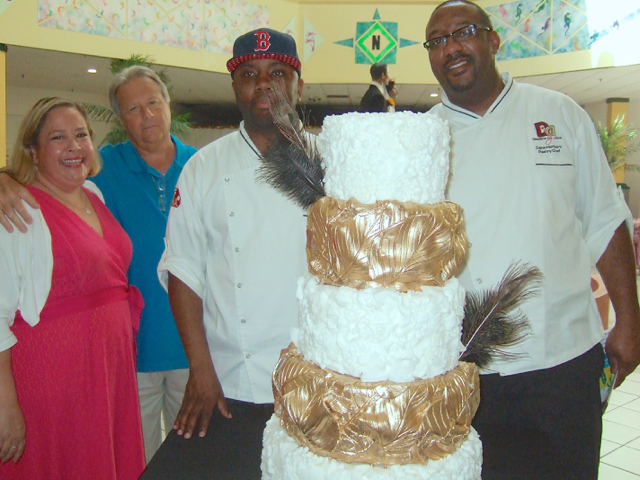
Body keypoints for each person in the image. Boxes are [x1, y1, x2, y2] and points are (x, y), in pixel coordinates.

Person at [424, 1, 640, 479]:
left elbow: (605, 220)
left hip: (563, 363)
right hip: (464, 372)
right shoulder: (421, 138)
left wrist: (629, 319)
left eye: (463, 32)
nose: (451, 47)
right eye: (437, 41)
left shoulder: (559, 114)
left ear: (494, 40)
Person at [0, 66, 197, 463]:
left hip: (157, 358)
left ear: (168, 105)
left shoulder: (200, 168)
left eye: (153, 103)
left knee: (172, 462)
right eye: (133, 109)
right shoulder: (49, 197)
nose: (147, 116)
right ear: (121, 121)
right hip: (78, 369)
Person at [152, 28, 307, 478]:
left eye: (278, 73)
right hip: (229, 379)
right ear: (234, 86)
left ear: (298, 84)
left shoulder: (328, 160)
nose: (264, 85)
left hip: (313, 378)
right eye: (249, 74)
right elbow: (182, 269)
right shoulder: (203, 167)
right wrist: (200, 370)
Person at [0, 97, 145, 478]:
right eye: (57, 138)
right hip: (52, 383)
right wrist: (5, 404)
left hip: (106, 374)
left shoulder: (94, 196)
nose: (73, 147)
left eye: (81, 135)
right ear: (32, 151)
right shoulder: (18, 210)